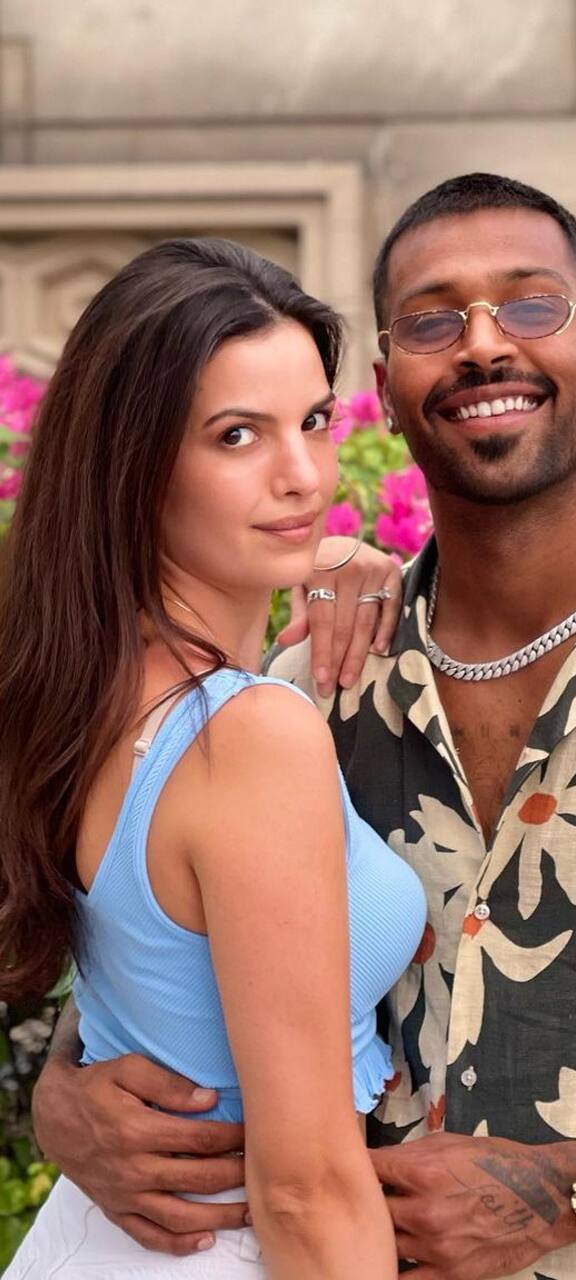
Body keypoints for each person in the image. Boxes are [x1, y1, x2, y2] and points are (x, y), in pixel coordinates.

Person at [30, 174, 576, 1280]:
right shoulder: (317, 681)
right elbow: (171, 960)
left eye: (531, 303)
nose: (484, 343)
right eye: (433, 321)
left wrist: (575, 1191)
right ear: (388, 395)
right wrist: (65, 1091)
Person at [0, 236, 427, 1279]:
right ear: (136, 463)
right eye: (237, 435)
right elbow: (305, 1190)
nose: (302, 476)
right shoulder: (247, 734)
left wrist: (326, 566)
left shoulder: (83, 689)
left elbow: (156, 969)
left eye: (314, 421)